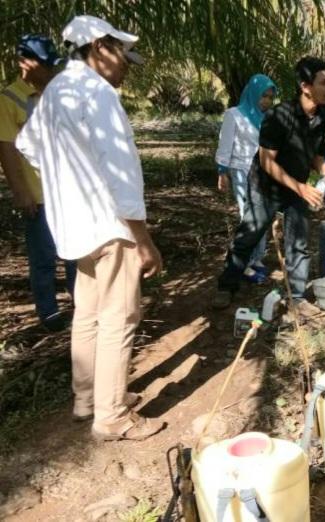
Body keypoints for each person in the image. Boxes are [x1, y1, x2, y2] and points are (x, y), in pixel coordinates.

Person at [16, 15, 164, 441]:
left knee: (88, 314)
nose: (126, 67)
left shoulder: (56, 90)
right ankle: (113, 416)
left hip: (74, 227)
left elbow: (27, 145)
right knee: (120, 317)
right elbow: (120, 173)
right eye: (123, 57)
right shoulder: (97, 93)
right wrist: (143, 239)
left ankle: (86, 399)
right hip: (109, 225)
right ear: (100, 47)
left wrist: (63, 181)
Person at [212, 57, 325, 311]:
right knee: (249, 235)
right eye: (323, 83)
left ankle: (298, 299)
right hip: (266, 186)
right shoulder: (279, 116)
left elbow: (317, 159)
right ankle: (227, 285)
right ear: (305, 86)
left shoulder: (323, 120)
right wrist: (300, 187)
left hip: (296, 187)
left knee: (298, 241)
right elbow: (267, 162)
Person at [0, 35, 77, 332]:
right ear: (23, 62)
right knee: (43, 257)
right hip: (38, 194)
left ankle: (79, 304)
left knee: (73, 252)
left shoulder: (54, 94)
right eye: (42, 64)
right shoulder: (10, 100)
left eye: (50, 64)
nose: (48, 70)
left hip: (66, 191)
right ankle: (49, 313)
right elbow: (6, 149)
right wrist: (21, 192)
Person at [216, 74, 277, 284]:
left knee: (263, 218)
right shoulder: (234, 115)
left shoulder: (269, 118)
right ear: (253, 94)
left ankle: (257, 258)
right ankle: (246, 262)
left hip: (262, 173)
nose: (266, 101)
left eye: (270, 97)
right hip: (241, 170)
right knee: (248, 218)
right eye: (263, 96)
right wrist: (222, 171)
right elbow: (225, 143)